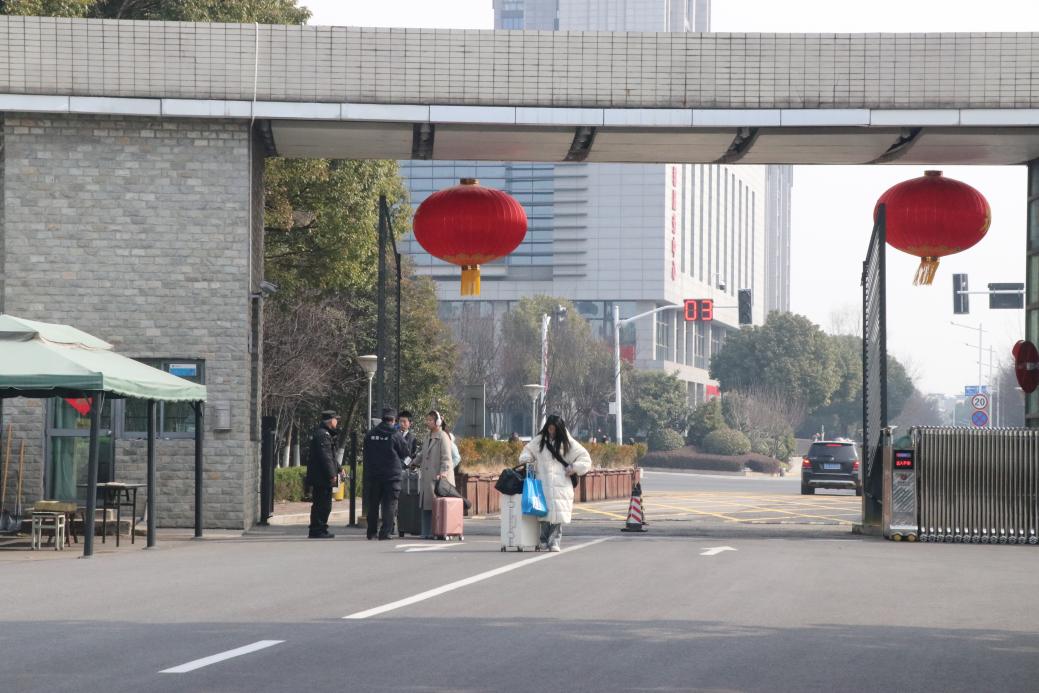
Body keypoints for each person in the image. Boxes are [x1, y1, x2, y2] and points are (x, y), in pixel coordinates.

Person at [518, 414, 592, 552]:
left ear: (559, 429)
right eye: (549, 428)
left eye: (554, 429)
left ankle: (554, 542)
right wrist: (527, 460)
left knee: (558, 515)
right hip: (543, 483)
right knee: (543, 513)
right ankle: (543, 540)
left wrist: (573, 467)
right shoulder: (540, 440)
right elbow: (526, 452)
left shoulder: (568, 442)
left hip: (561, 484)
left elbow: (585, 459)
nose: (551, 432)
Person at [363, 407, 412, 540]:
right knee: (390, 504)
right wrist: (403, 465)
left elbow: (366, 454)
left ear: (382, 419)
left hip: (374, 475)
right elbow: (407, 454)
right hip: (392, 476)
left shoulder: (370, 434)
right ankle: (385, 532)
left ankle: (371, 532)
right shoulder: (395, 434)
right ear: (394, 420)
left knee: (373, 504)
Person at [414, 410, 454, 539]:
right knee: (426, 506)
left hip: (438, 478)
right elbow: (422, 453)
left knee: (436, 507)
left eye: (430, 420)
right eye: (427, 420)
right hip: (427, 477)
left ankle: (437, 531)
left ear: (438, 422)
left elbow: (447, 459)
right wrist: (413, 462)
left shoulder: (443, 437)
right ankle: (426, 532)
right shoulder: (428, 436)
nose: (428, 422)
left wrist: (443, 473)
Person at [306, 410, 341, 539]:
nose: (337, 422)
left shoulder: (324, 433)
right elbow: (325, 457)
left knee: (322, 504)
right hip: (321, 477)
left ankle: (319, 528)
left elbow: (330, 456)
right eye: (336, 419)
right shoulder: (323, 435)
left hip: (321, 476)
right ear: (331, 421)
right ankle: (317, 529)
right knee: (322, 505)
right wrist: (332, 474)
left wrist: (339, 468)